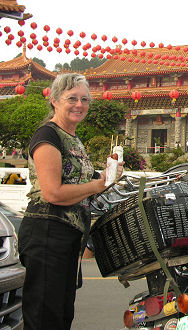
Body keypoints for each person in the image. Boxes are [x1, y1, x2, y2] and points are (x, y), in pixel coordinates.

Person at [17, 73, 124, 330]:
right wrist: (99, 184)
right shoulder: (48, 135)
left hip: (67, 236)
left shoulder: (73, 139)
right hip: (46, 233)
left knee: (62, 315)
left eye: (85, 99)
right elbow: (53, 192)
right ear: (54, 100)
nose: (79, 105)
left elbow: (79, 188)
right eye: (72, 98)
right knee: (45, 317)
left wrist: (108, 177)